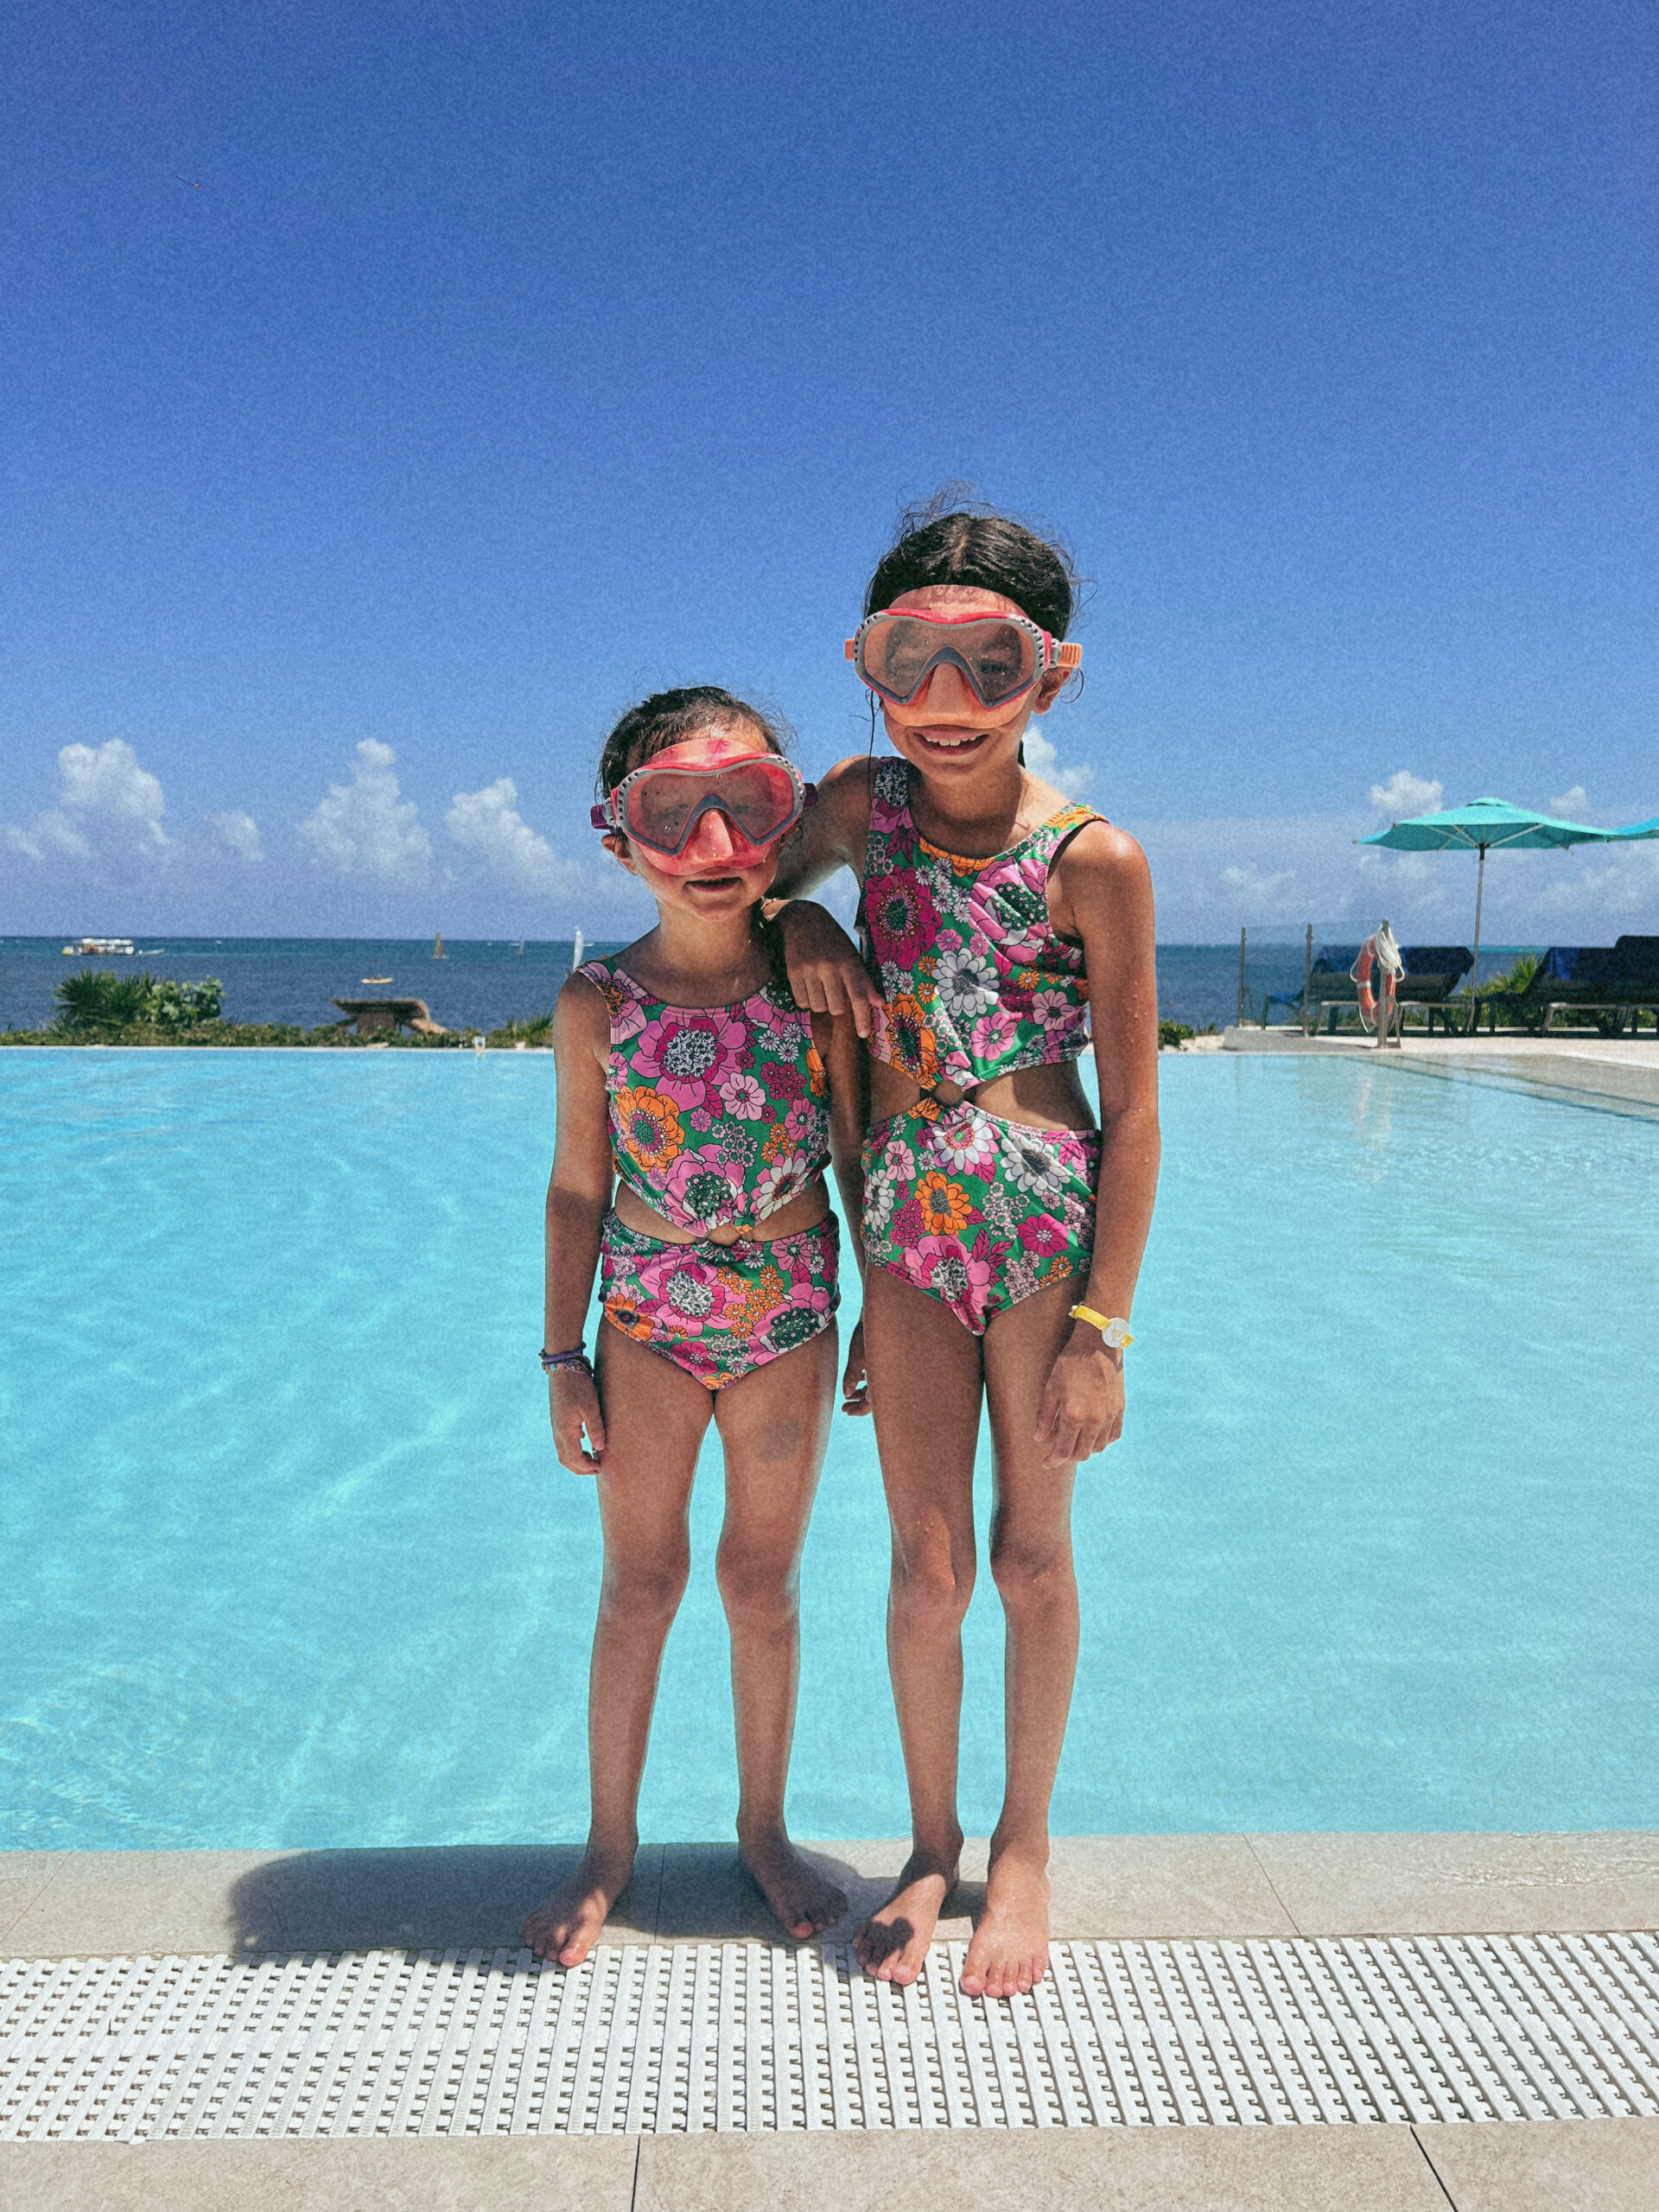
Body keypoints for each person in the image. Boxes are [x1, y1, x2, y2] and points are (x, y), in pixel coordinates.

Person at [767, 501, 1161, 2000]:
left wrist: (1103, 1329)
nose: (941, 704)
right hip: (909, 1224)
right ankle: (930, 1845)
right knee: (924, 1566)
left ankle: (1027, 1847)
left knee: (1028, 1554)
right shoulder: (861, 811)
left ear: (1048, 678)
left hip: (1045, 1220)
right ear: (872, 666)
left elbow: (1134, 1115)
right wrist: (807, 934)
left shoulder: (1095, 858)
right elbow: (738, 894)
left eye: (983, 668)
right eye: (907, 662)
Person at [522, 687, 866, 1969]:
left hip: (786, 1319)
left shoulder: (818, 985)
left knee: (760, 1584)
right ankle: (608, 1847)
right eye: (674, 813)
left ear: (782, 827)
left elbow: (858, 1157)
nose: (713, 845)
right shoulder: (595, 1002)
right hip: (649, 1324)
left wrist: (882, 1318)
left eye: (747, 809)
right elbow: (576, 1186)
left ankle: (762, 1827)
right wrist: (563, 1359)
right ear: (619, 839)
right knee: (642, 1585)